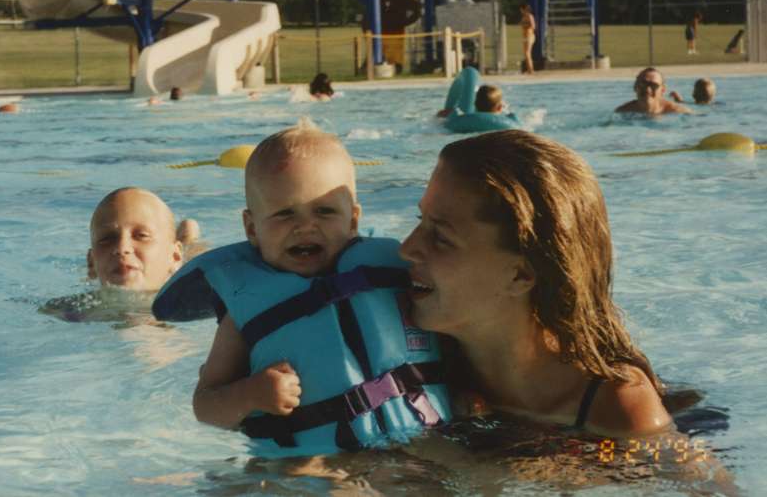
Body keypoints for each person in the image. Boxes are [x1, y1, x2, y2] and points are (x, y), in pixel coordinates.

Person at [174, 120, 448, 453]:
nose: (305, 226)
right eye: (285, 213)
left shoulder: (393, 277)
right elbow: (205, 405)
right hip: (311, 465)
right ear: (252, 228)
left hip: (425, 441)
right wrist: (250, 394)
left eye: (324, 210)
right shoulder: (245, 309)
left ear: (353, 220)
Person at [400, 130, 673, 436]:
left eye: (441, 237)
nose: (406, 248)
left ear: (521, 276)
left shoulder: (617, 411)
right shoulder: (409, 360)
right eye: (419, 220)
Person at [87, 187, 200, 291]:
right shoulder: (74, 311)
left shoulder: (195, 304)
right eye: (107, 239)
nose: (122, 248)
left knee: (193, 264)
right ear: (91, 263)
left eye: (142, 236)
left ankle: (189, 237)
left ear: (174, 256)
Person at [615, 67, 691, 115]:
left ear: (662, 90)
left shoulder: (677, 111)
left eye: (654, 86)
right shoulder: (623, 112)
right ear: (635, 87)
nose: (648, 89)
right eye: (643, 84)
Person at [519, 3, 536, 75]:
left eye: (521, 9)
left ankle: (531, 70)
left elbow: (533, 26)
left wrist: (525, 25)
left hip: (530, 36)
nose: (520, 11)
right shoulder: (523, 17)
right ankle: (529, 69)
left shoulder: (530, 16)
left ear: (523, 9)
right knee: (526, 54)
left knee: (527, 53)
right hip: (525, 37)